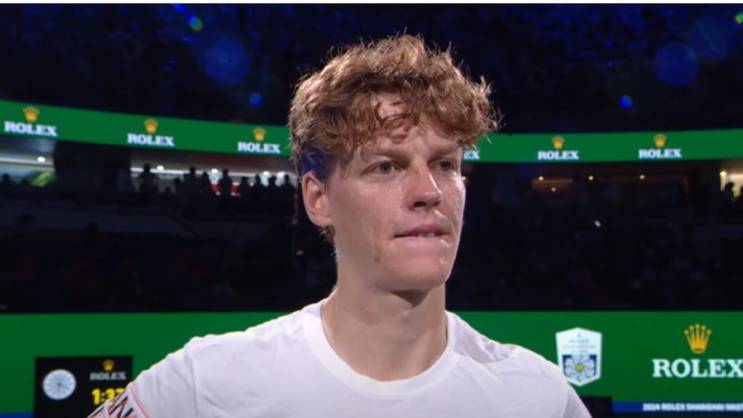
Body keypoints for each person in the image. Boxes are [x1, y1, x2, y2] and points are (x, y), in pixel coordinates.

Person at [88, 34, 590, 418]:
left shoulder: (538, 396)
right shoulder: (205, 385)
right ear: (318, 198)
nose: (429, 191)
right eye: (386, 167)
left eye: (445, 164)